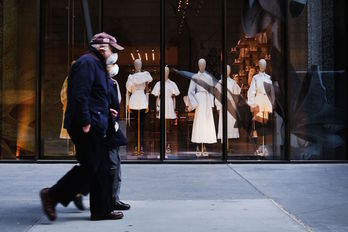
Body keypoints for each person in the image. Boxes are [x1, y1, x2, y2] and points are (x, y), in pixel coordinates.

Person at [40, 32, 125, 221]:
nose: (114, 54)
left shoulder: (95, 64)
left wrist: (106, 110)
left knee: (100, 167)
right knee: (90, 167)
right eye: (112, 49)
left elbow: (95, 96)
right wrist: (86, 121)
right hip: (87, 125)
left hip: (95, 122)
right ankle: (52, 195)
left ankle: (101, 210)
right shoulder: (87, 63)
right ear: (102, 48)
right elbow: (80, 94)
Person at [105, 53, 131, 210]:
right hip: (103, 128)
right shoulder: (101, 82)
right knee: (108, 165)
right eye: (110, 64)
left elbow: (118, 102)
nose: (113, 66)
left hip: (111, 126)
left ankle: (114, 198)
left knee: (115, 164)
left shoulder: (113, 83)